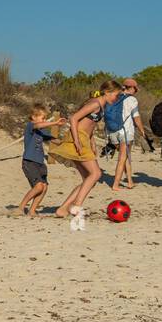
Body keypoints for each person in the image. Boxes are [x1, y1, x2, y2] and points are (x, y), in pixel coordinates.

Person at [49, 80, 123, 218]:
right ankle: (76, 206)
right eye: (116, 95)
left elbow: (89, 125)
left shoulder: (101, 105)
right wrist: (77, 140)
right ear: (107, 92)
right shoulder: (95, 103)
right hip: (78, 139)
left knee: (89, 180)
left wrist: (92, 142)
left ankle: (63, 209)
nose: (117, 98)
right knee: (96, 174)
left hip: (84, 140)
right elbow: (74, 119)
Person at [19, 104, 65, 216]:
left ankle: (32, 210)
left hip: (40, 163)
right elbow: (38, 125)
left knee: (44, 187)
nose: (44, 120)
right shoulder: (31, 126)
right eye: (42, 117)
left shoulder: (42, 131)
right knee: (38, 186)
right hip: (29, 161)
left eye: (45, 118)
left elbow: (56, 141)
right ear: (33, 117)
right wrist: (55, 123)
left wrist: (69, 140)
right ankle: (21, 207)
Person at [105, 78, 148, 191]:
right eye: (135, 89)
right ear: (132, 88)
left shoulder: (115, 97)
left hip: (113, 131)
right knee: (122, 158)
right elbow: (136, 117)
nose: (136, 91)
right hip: (126, 131)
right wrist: (142, 131)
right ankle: (116, 184)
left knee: (126, 157)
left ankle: (130, 181)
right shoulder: (132, 100)